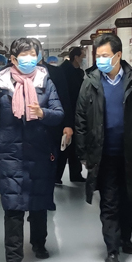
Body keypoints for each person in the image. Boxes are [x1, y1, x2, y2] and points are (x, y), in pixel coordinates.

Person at [74, 32, 132, 262]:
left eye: (105, 55)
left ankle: (125, 238)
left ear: (118, 55)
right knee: (109, 202)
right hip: (103, 155)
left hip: (131, 155)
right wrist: (83, 153)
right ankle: (112, 249)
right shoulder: (91, 82)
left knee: (128, 199)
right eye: (98, 56)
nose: (100, 60)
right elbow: (80, 118)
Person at [0, 37, 64, 262]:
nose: (29, 59)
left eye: (33, 54)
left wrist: (42, 113)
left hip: (40, 152)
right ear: (13, 59)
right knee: (13, 206)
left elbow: (59, 114)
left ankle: (39, 243)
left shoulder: (46, 82)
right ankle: (13, 258)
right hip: (10, 154)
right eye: (24, 55)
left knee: (38, 203)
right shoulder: (2, 85)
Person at [51, 47, 86, 184]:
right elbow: (64, 95)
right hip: (66, 111)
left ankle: (75, 173)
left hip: (77, 111)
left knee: (75, 145)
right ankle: (56, 175)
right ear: (76, 57)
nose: (83, 59)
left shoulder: (79, 72)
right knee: (64, 145)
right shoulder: (63, 71)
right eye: (82, 57)